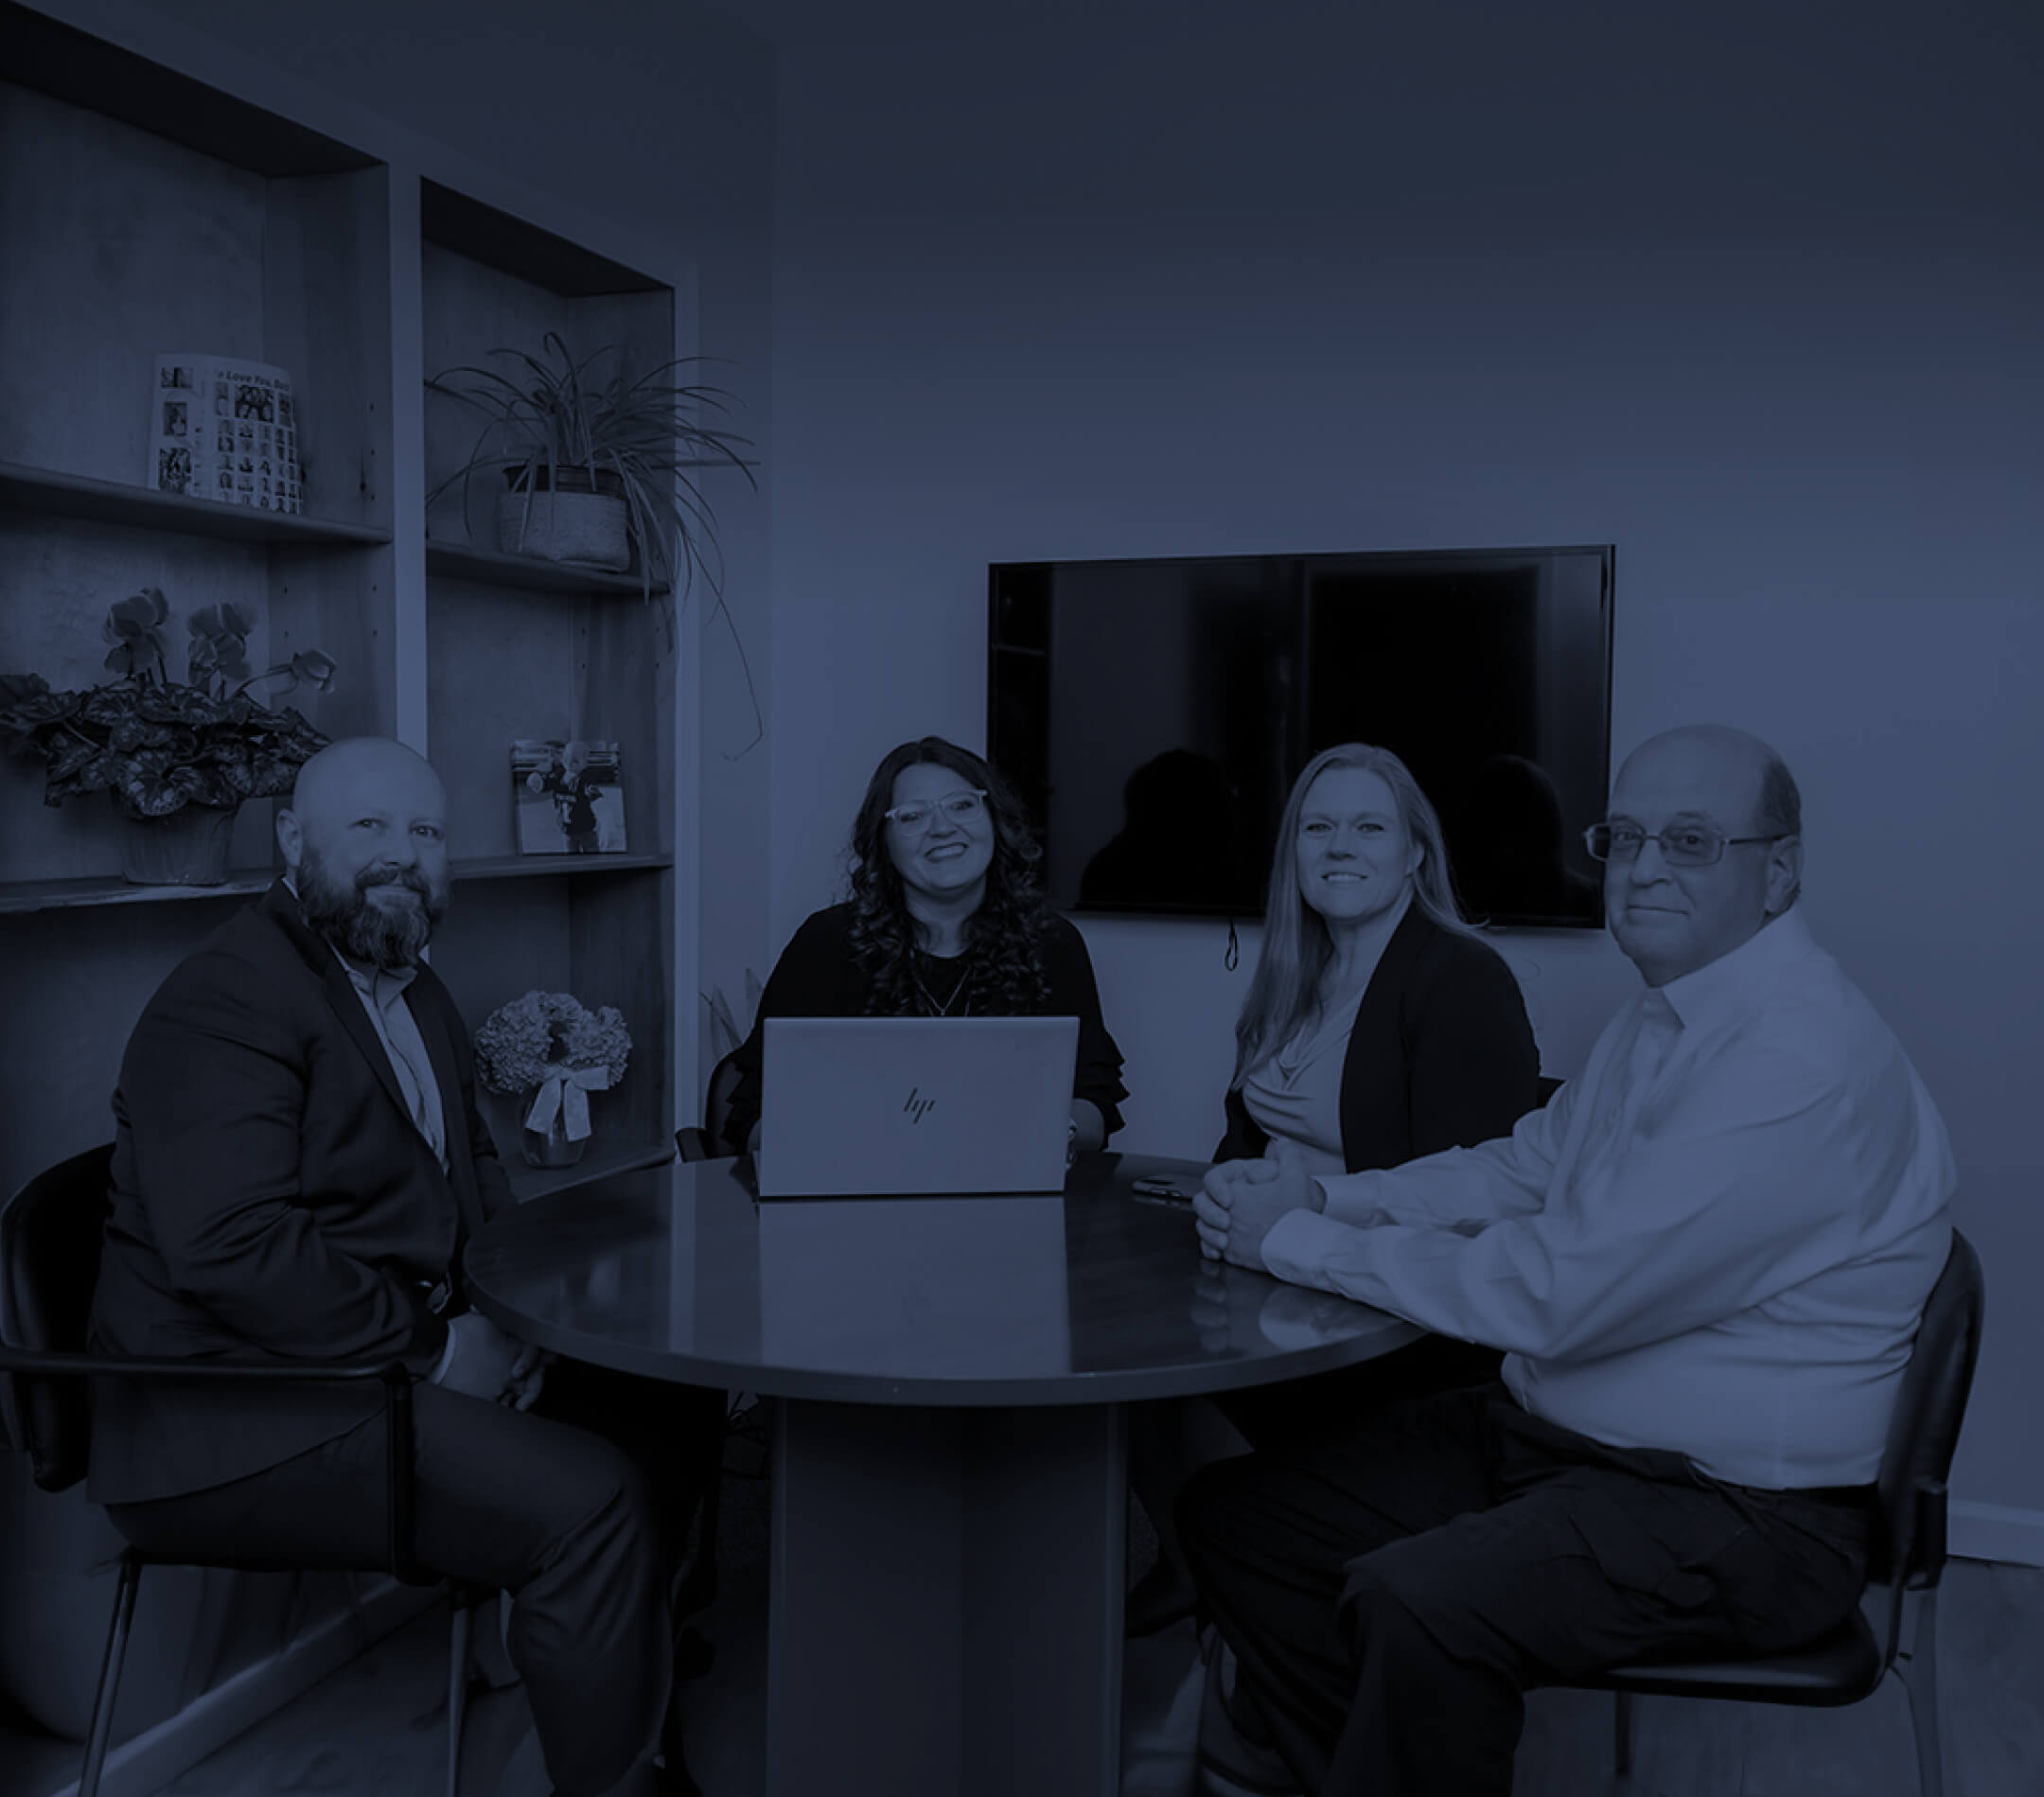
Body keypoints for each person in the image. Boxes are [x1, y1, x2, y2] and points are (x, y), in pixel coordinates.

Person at [1179, 724, 1956, 1797]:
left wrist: (1298, 1241)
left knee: (1421, 1602)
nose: (1640, 870)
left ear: (1777, 872)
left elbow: (1560, 1295)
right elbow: (1525, 1165)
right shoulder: (1668, 1016)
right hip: (1570, 1438)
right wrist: (1329, 1196)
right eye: (1624, 837)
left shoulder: (1794, 1062)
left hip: (1739, 1510)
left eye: (1690, 842)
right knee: (1240, 1520)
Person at [87, 737, 717, 1797]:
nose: (403, 854)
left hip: (365, 1353)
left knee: (671, 1403)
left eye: (425, 832)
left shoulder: (407, 981)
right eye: (369, 826)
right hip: (230, 1408)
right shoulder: (226, 999)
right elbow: (234, 1251)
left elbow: (470, 1172)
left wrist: (514, 1321)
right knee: (590, 1501)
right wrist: (436, 1351)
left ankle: (621, 1683)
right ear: (294, 839)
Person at [1125, 743, 1541, 1636]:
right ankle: (1202, 1563)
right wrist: (1234, 1187)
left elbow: (1470, 1200)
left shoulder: (1461, 979)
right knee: (1121, 1352)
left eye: (1367, 826)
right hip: (1276, 1277)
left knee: (1157, 1383)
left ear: (1414, 854)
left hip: (1390, 1329)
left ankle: (1256, 1588)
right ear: (1295, 853)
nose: (1340, 846)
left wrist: (1295, 1213)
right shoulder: (1294, 973)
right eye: (1318, 826)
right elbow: (1245, 1136)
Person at [723, 735, 1126, 1157]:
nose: (941, 827)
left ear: (994, 819)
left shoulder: (1052, 942)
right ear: (884, 842)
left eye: (962, 805)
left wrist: (1050, 1131)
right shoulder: (826, 942)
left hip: (1009, 1192)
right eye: (912, 816)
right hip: (855, 1194)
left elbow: (1093, 1109)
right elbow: (755, 1114)